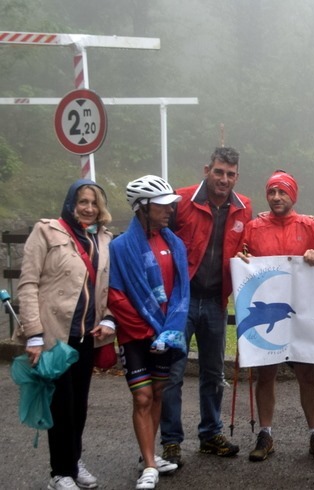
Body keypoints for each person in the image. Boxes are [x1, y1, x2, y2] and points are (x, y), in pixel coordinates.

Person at [17, 180, 115, 490]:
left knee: (79, 404)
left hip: (86, 335)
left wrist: (109, 318)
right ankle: (60, 473)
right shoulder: (46, 231)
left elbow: (108, 287)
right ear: (71, 202)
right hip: (55, 334)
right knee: (60, 404)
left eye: (94, 203)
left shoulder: (103, 239)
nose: (88, 208)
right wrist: (34, 334)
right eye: (83, 201)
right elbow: (28, 283)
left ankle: (73, 460)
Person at [235, 170, 314, 463]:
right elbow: (240, 256)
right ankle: (265, 433)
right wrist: (241, 260)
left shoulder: (309, 225)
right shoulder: (253, 227)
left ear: (293, 195)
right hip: (268, 310)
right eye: (272, 192)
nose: (277, 197)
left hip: (302, 311)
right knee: (265, 374)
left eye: (282, 192)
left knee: (307, 375)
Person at [160, 147, 252, 466]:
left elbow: (246, 245)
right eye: (218, 172)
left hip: (216, 300)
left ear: (237, 177)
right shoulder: (182, 200)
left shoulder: (243, 207)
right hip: (181, 300)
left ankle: (210, 434)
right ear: (207, 170)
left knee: (213, 372)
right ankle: (171, 441)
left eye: (230, 174)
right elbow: (159, 237)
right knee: (173, 372)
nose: (224, 179)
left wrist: (245, 255)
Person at [108, 175, 189, 489]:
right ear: (142, 207)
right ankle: (150, 466)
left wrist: (168, 331)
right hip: (136, 336)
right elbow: (116, 294)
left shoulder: (174, 244)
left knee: (157, 393)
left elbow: (181, 291)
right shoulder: (120, 247)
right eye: (162, 206)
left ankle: (149, 456)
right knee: (142, 397)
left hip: (166, 335)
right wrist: (147, 330)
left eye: (170, 205)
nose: (170, 210)